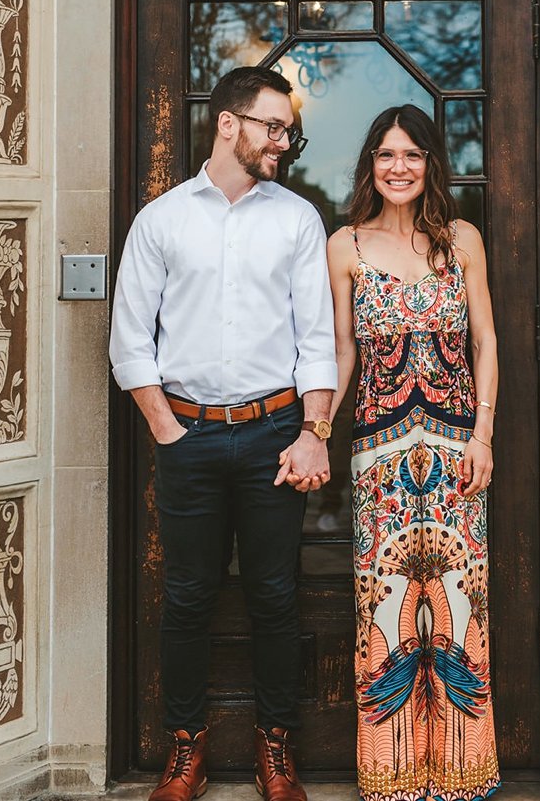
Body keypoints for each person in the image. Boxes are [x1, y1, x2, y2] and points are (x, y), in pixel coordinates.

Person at [109, 66, 337, 801]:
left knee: (275, 595)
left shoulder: (297, 218)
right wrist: (167, 430)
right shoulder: (162, 219)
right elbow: (129, 342)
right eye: (274, 125)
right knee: (186, 597)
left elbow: (318, 340)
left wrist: (313, 430)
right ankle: (186, 749)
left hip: (278, 435)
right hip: (191, 440)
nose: (286, 140)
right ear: (228, 123)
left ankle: (278, 748)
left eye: (289, 129)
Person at [327, 106, 500, 801]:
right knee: (387, 607)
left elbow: (486, 340)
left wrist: (484, 434)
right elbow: (342, 350)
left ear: (431, 162)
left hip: (459, 453)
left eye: (413, 153)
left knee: (460, 609)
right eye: (386, 154)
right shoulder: (345, 244)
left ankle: (460, 777)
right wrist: (316, 427)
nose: (399, 166)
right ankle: (394, 781)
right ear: (370, 163)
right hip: (380, 458)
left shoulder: (461, 239)